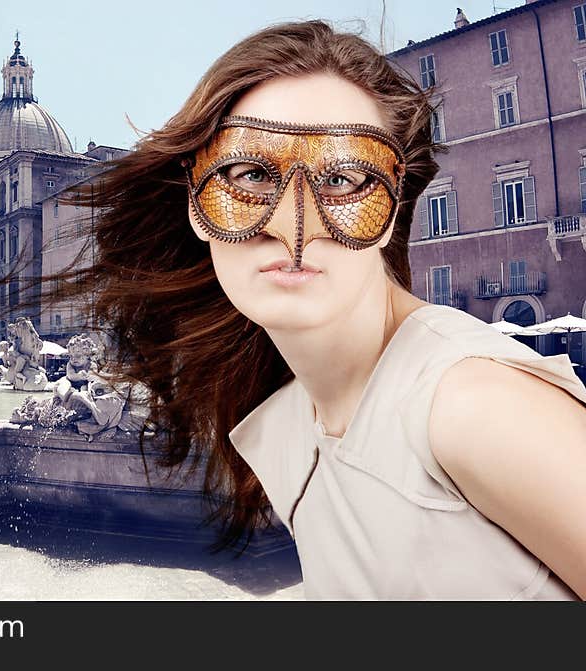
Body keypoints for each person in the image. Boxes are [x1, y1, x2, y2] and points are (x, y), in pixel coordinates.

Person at [47, 21, 586, 599]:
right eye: (249, 173)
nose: (291, 226)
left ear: (392, 206)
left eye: (342, 177)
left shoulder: (475, 406)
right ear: (195, 203)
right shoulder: (287, 420)